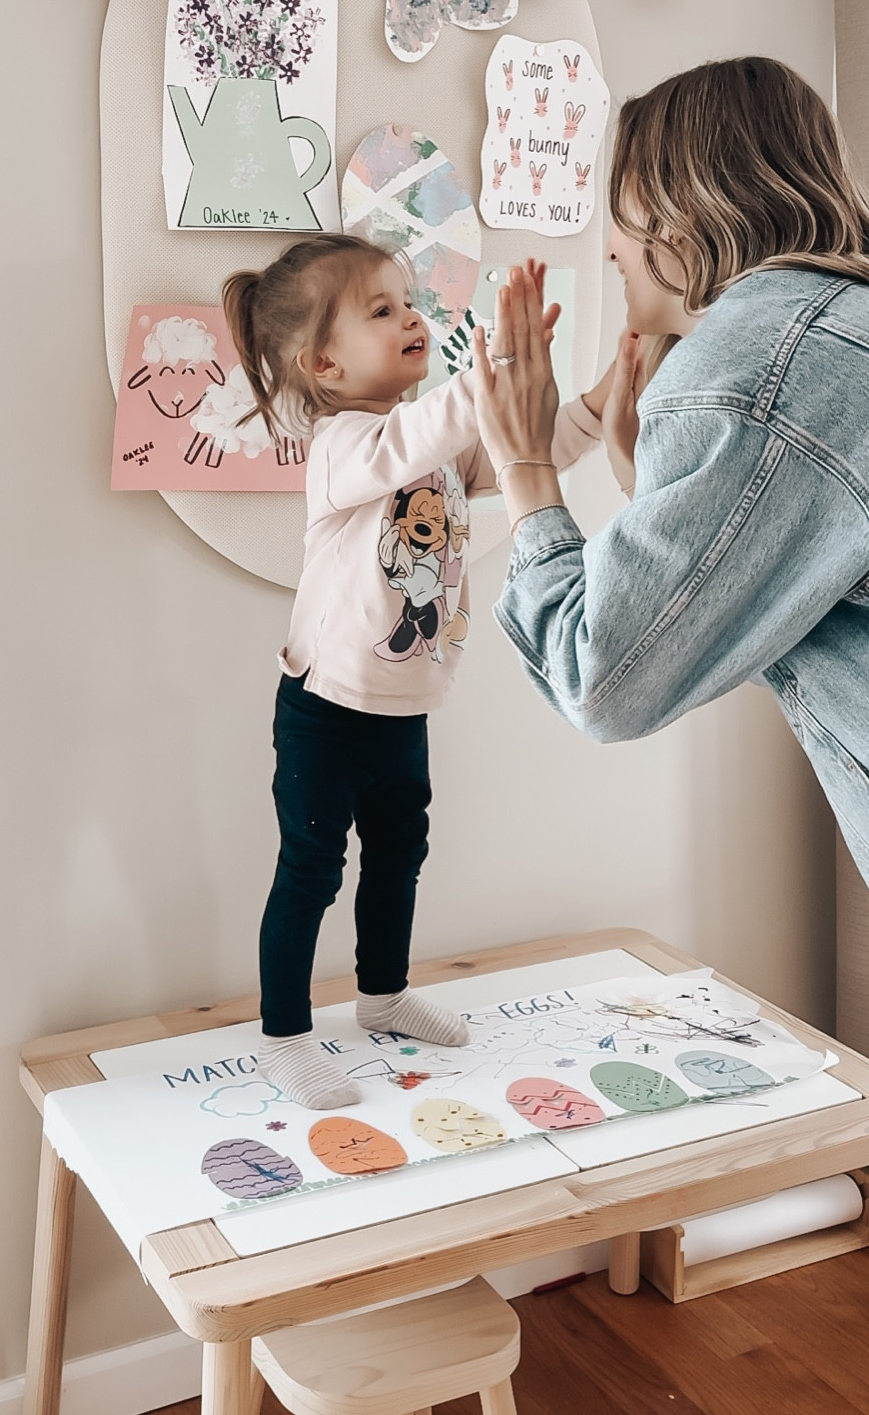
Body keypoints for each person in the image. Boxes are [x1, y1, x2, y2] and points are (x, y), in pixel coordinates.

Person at [470, 57, 869, 1072]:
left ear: (667, 208)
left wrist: (528, 469)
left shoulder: (754, 368)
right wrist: (645, 488)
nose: (607, 246)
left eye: (613, 208)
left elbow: (604, 677)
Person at [223, 235, 607, 1107]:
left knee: (399, 853)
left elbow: (525, 447)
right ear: (324, 362)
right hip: (325, 708)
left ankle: (383, 994)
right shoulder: (344, 446)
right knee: (312, 868)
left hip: (403, 705)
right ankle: (283, 1034)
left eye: (409, 302)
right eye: (382, 309)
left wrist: (594, 397)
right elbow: (411, 438)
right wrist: (490, 373)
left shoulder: (426, 446)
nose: (411, 318)